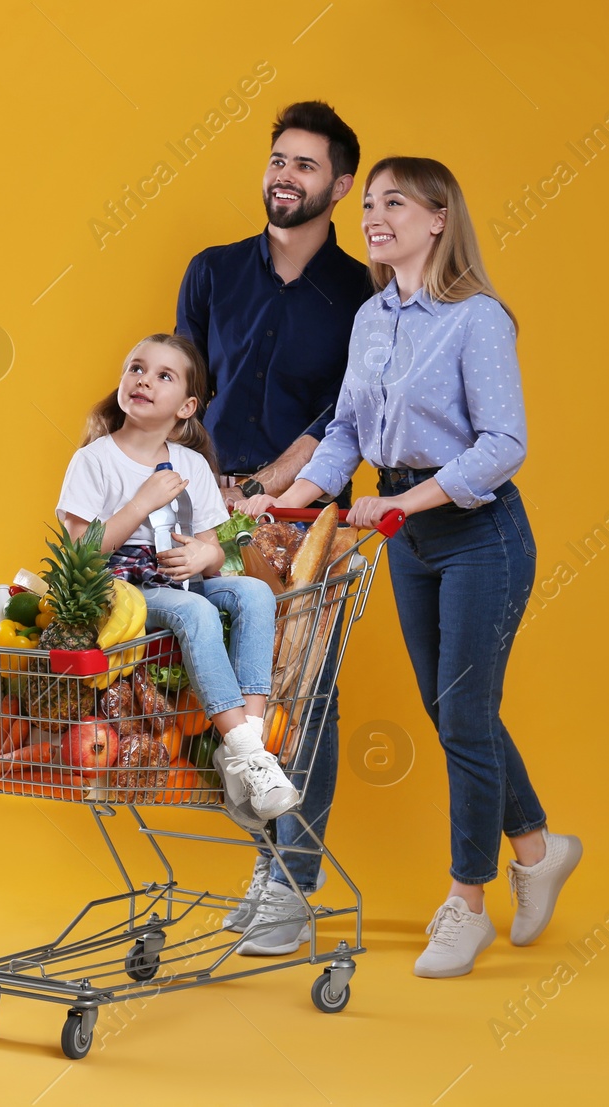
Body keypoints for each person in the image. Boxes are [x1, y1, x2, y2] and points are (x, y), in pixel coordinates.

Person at [242, 157, 583, 978]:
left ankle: (467, 902)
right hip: (410, 539)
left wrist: (407, 503)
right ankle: (538, 848)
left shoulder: (477, 320)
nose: (373, 215)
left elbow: (503, 445)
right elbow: (350, 432)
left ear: (439, 220)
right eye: (371, 205)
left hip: (479, 534)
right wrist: (292, 498)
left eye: (395, 202)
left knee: (464, 714)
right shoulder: (371, 320)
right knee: (452, 710)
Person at [176, 101, 373, 956]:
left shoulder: (363, 291)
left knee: (306, 699)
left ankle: (296, 882)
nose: (284, 177)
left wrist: (266, 483)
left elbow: (346, 412)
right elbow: (190, 387)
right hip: (213, 520)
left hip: (305, 523)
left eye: (305, 165)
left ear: (340, 184)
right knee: (235, 699)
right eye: (277, 161)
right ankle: (266, 864)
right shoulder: (213, 271)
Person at [56, 333, 294, 826]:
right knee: (196, 610)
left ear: (186, 406)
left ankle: (242, 749)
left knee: (250, 590)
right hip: (125, 589)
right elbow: (82, 549)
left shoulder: (191, 465)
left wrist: (204, 552)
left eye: (163, 376)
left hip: (178, 578)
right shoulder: (94, 460)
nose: (144, 379)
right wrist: (141, 502)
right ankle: (251, 752)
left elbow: (213, 557)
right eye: (136, 368)